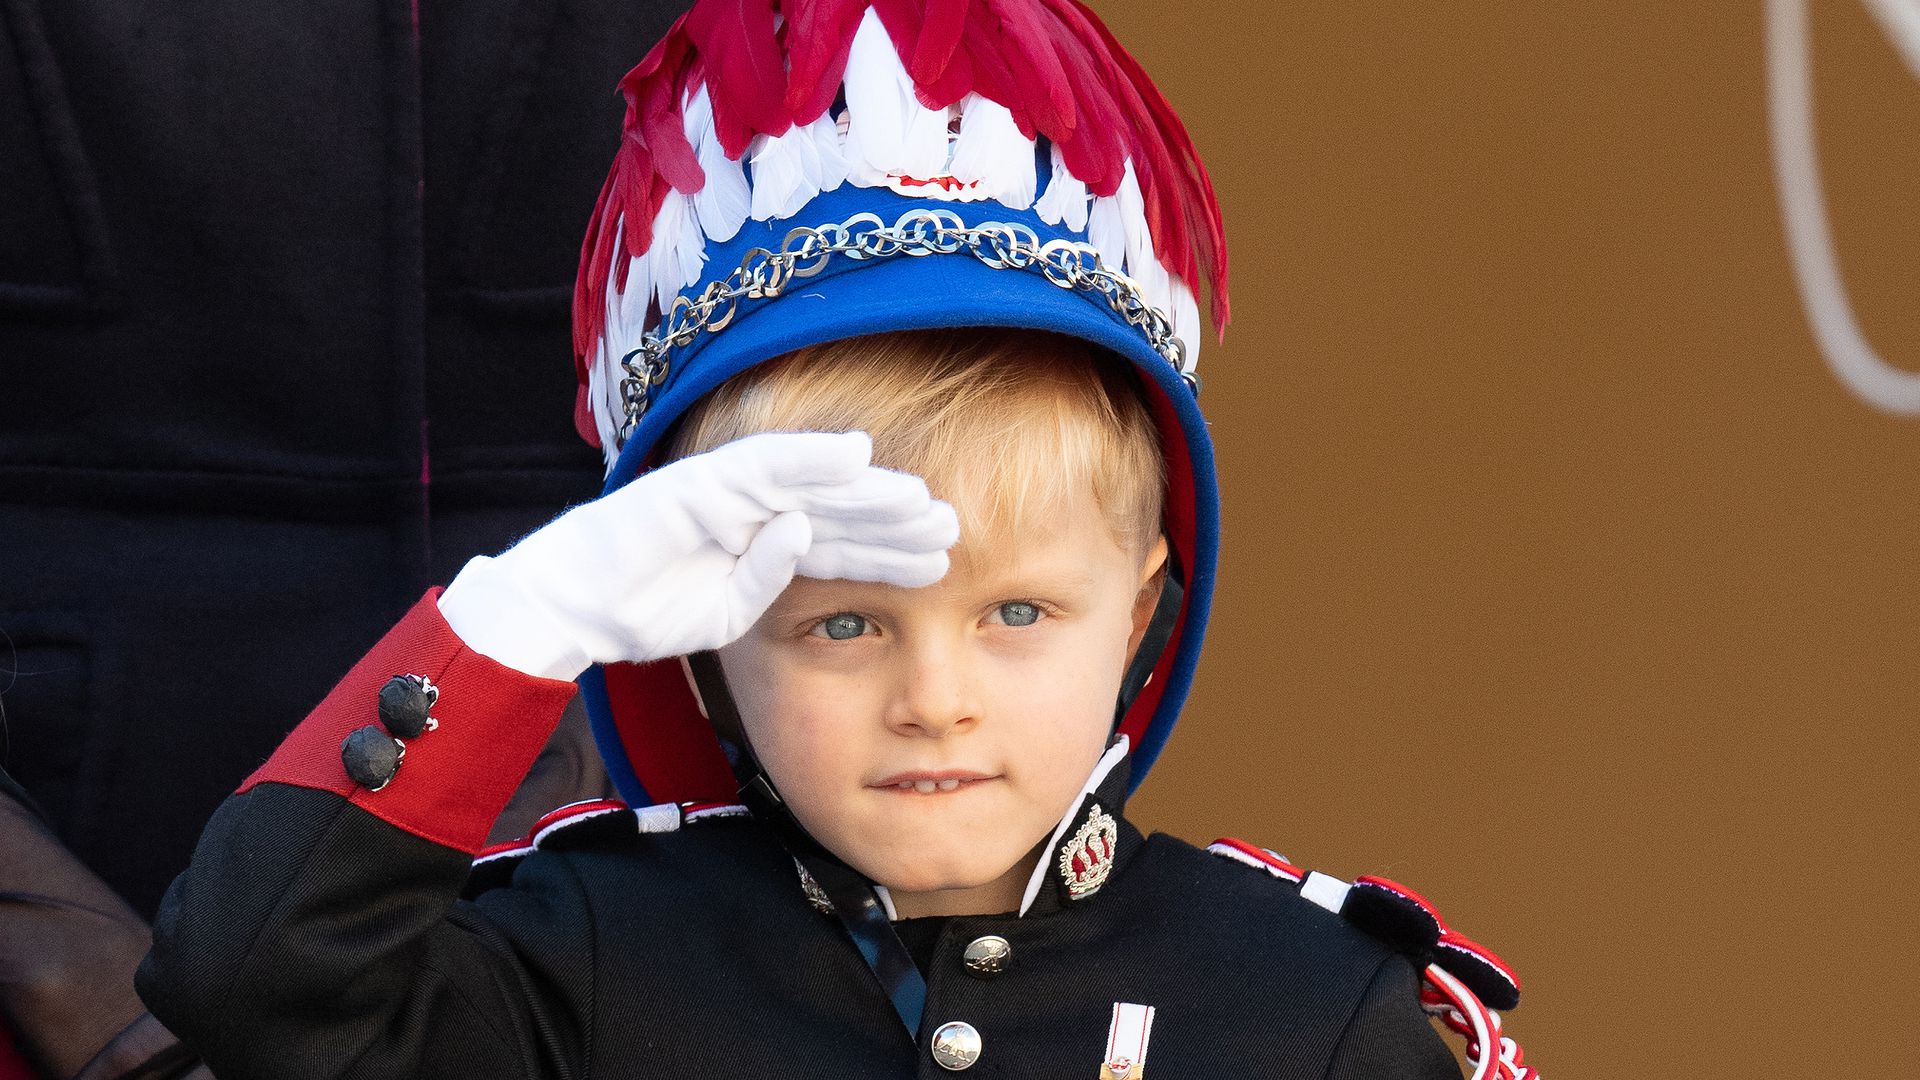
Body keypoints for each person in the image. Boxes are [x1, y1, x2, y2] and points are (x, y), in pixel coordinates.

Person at [136, 2, 1538, 1077]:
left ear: (1145, 609)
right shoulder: (585, 956)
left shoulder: (1314, 1005)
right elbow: (246, 987)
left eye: (1020, 614)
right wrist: (522, 619)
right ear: (707, 650)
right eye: (843, 624)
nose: (935, 697)